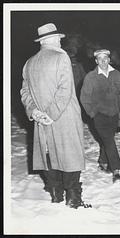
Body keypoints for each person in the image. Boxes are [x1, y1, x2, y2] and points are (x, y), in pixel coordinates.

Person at [20, 23, 89, 209]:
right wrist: (51, 114)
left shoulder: (29, 62)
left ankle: (56, 194)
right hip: (63, 116)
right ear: (48, 40)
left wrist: (34, 111)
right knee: (70, 155)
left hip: (41, 119)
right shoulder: (61, 57)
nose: (60, 40)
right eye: (58, 37)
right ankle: (73, 197)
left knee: (49, 155)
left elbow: (24, 92)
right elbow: (65, 89)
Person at [80, 49, 120, 183]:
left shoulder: (116, 74)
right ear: (96, 61)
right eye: (100, 59)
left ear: (109, 59)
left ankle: (103, 161)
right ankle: (116, 170)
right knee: (109, 140)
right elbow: (84, 97)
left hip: (114, 114)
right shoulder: (91, 77)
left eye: (105, 58)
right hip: (99, 115)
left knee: (107, 139)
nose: (103, 61)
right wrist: (92, 113)